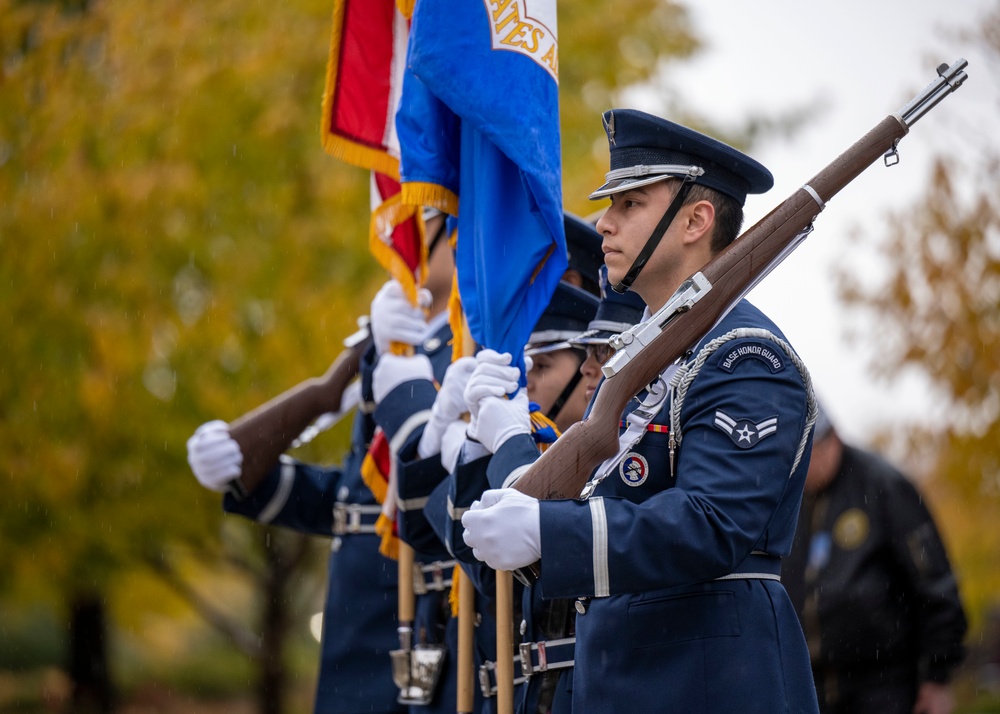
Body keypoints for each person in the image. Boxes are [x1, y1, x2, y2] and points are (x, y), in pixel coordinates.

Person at [461, 108, 822, 713]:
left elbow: (712, 523)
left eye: (631, 204)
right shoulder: (651, 354)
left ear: (695, 220)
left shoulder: (745, 356)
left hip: (708, 685)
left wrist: (549, 529)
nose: (604, 222)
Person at [187, 214, 454, 714]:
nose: (397, 238)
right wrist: (259, 478)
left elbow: (436, 491)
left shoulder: (468, 351)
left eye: (424, 221)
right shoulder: (385, 343)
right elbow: (360, 494)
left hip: (415, 611)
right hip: (355, 610)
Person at [784, 404, 968, 714]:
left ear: (834, 440)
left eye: (809, 454)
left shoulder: (884, 485)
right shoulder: (793, 499)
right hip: (811, 689)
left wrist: (937, 676)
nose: (803, 467)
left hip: (884, 686)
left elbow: (935, 584)